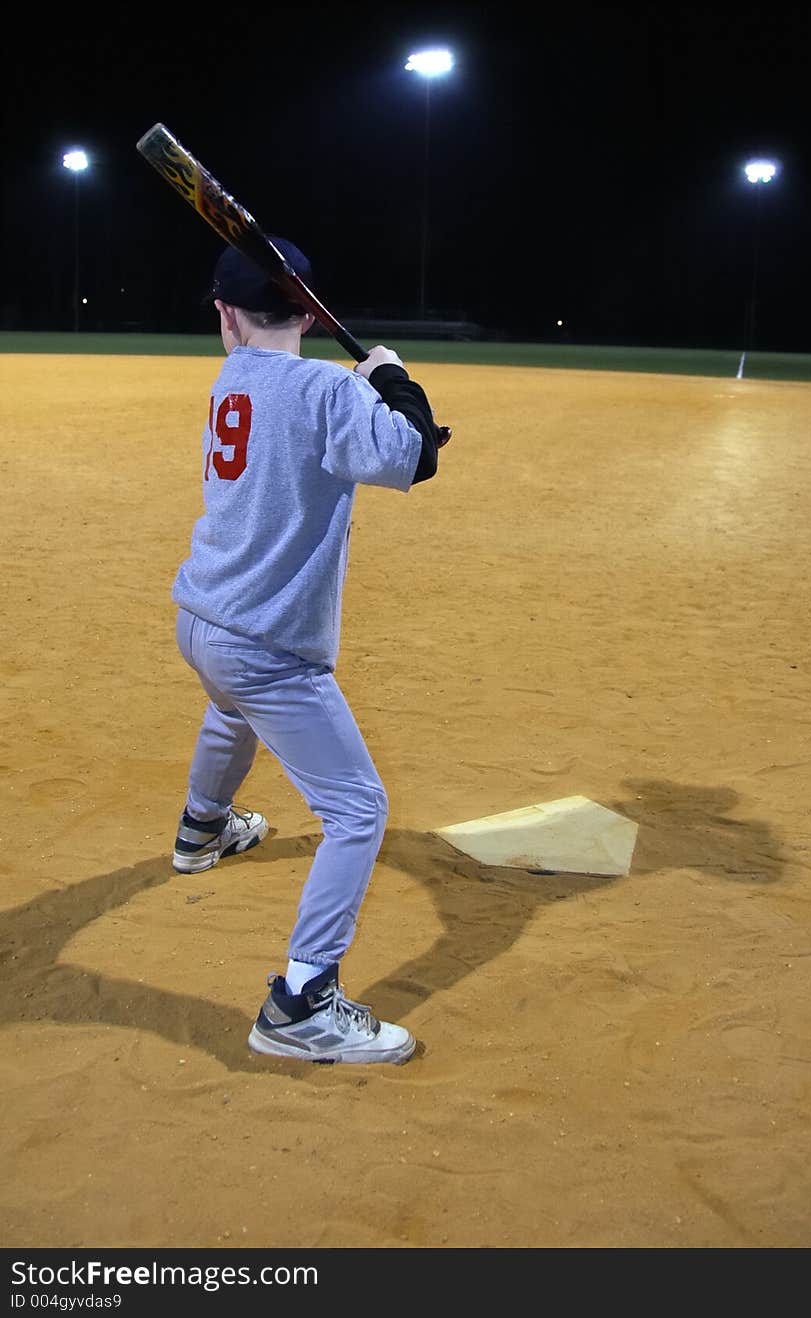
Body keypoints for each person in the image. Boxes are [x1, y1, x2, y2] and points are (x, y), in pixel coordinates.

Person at [170, 237, 448, 1065]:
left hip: (201, 619)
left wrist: (367, 394)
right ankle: (302, 1003)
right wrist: (392, 380)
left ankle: (202, 831)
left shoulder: (232, 379)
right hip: (266, 644)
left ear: (226, 314)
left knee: (232, 707)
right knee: (357, 811)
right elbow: (417, 455)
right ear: (307, 308)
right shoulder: (329, 388)